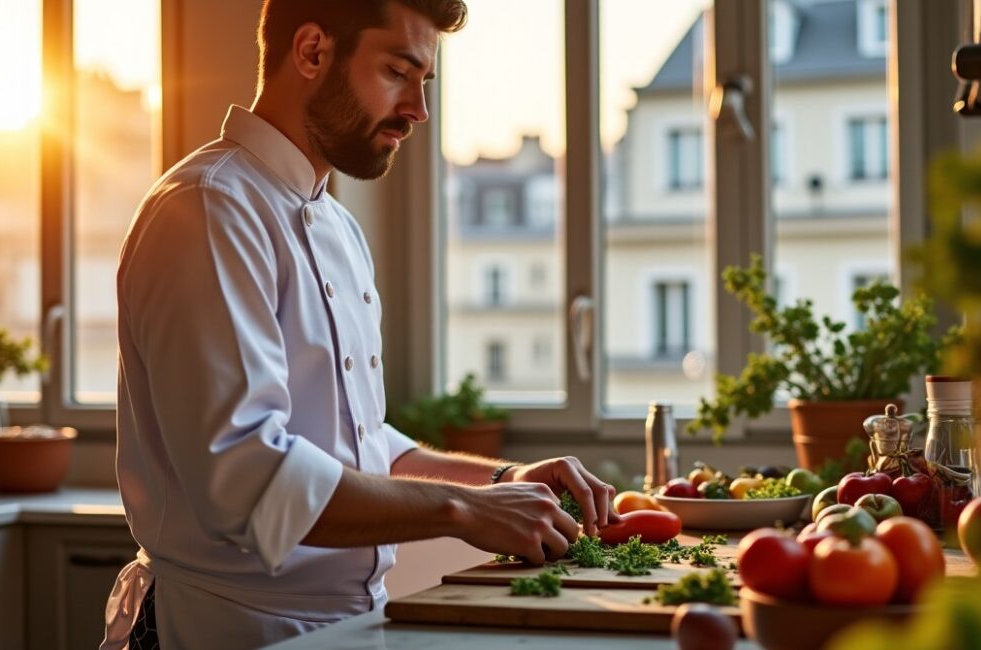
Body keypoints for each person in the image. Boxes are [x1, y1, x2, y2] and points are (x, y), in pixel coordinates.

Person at [100, 1, 619, 648]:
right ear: (312, 52)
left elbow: (361, 444)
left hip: (349, 625)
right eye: (399, 72)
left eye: (423, 82)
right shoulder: (209, 211)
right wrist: (463, 511)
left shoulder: (337, 227)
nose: (417, 110)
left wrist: (499, 483)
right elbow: (245, 476)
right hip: (224, 627)